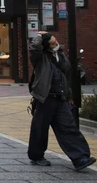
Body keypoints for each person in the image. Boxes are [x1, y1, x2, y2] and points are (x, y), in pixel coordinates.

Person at [27, 32, 95, 171]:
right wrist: (39, 36)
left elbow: (65, 76)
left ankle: (80, 158)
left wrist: (69, 96)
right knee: (40, 129)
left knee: (69, 128)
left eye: (55, 39)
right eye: (52, 40)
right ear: (46, 44)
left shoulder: (60, 55)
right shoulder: (40, 58)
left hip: (60, 98)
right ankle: (36, 156)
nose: (55, 41)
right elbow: (34, 48)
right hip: (44, 98)